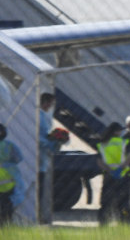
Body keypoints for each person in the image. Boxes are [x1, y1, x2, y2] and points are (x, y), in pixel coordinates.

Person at [96, 122, 130, 225]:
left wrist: (109, 170)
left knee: (106, 202)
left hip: (109, 175)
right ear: (116, 132)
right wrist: (121, 168)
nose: (122, 132)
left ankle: (103, 223)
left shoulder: (102, 143)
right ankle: (125, 223)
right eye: (120, 130)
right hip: (122, 175)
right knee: (124, 202)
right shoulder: (124, 142)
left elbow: (99, 161)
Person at [38, 92, 59, 220]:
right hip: (38, 154)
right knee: (38, 188)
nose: (51, 106)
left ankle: (40, 214)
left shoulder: (46, 115)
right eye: (50, 103)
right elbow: (39, 136)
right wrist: (50, 141)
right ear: (45, 102)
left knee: (41, 188)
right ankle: (37, 215)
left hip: (43, 156)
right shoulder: (38, 116)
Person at [0, 124, 22, 226]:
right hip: (8, 179)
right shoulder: (10, 145)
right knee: (7, 202)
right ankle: (7, 222)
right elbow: (19, 158)